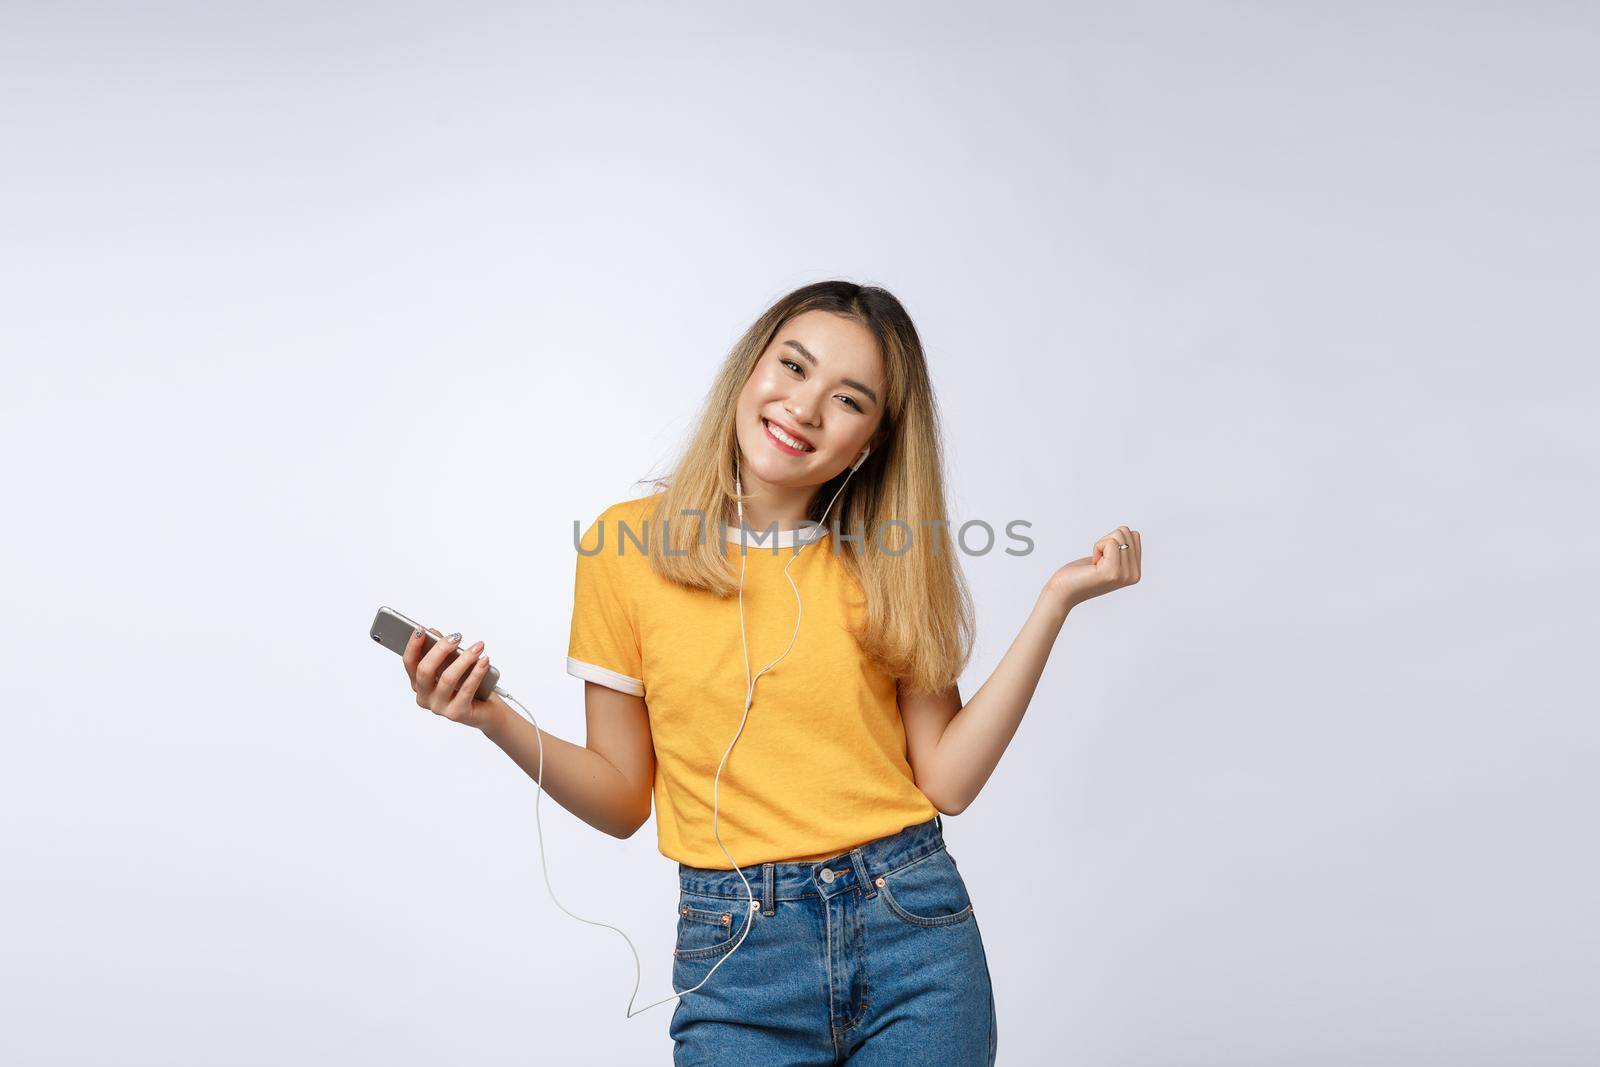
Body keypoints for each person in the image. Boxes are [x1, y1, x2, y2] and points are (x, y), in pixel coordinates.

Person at [399, 280, 1142, 1064]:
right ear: (750, 367)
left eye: (848, 399)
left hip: (914, 935)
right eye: (792, 366)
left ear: (871, 442)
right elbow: (622, 797)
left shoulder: (888, 562)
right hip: (736, 955)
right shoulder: (624, 550)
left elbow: (948, 780)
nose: (803, 407)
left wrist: (1055, 601)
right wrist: (492, 717)